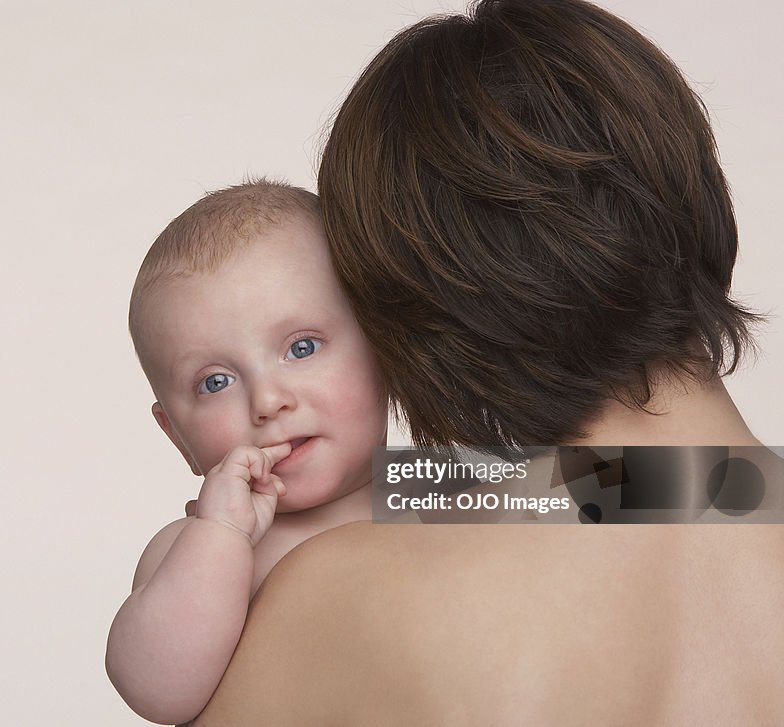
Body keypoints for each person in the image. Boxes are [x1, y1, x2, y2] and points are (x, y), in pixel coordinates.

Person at [190, 0, 784, 723]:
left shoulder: (341, 597)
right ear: (695, 190)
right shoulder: (715, 498)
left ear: (412, 308)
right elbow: (681, 490)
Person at [106, 180, 388, 724]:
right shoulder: (205, 550)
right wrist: (222, 539)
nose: (267, 401)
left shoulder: (431, 484)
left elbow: (598, 487)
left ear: (384, 348)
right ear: (176, 438)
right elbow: (157, 692)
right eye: (215, 382)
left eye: (301, 348)